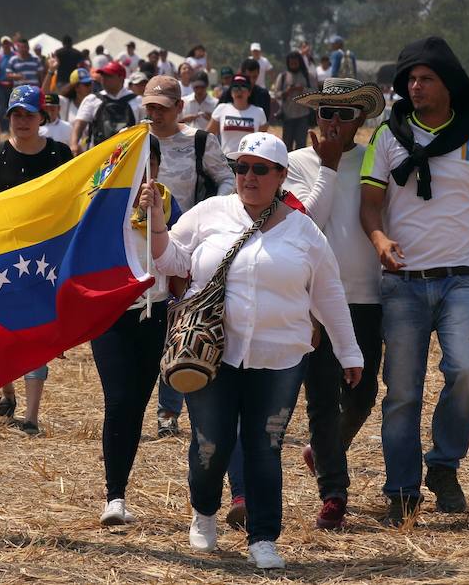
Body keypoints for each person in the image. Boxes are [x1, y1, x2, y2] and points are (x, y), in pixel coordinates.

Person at [139, 131, 363, 569]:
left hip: (280, 358)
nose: (249, 177)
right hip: (212, 355)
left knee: (265, 447)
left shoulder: (305, 231)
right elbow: (173, 262)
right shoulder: (210, 213)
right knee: (211, 443)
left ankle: (263, 537)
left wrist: (349, 352)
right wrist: (157, 221)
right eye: (242, 167)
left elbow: (329, 294)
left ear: (281, 176)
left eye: (261, 169)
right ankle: (204, 511)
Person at [359, 36, 469, 524]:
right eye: (410, 80)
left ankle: (443, 465)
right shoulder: (388, 137)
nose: (415, 87)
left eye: (425, 79)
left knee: (465, 371)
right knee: (402, 390)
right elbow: (370, 204)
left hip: (461, 278)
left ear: (449, 85)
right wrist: (379, 240)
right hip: (402, 283)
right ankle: (401, 488)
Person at [285, 78, 386, 529]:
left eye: (345, 114)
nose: (334, 122)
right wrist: (325, 167)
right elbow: (305, 223)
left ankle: (322, 452)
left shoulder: (374, 159)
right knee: (323, 398)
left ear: (360, 120)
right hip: (315, 299)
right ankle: (335, 492)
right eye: (326, 112)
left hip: (367, 296)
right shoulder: (293, 163)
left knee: (363, 393)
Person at [93, 134, 183, 525]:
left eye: (152, 164)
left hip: (155, 312)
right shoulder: (103, 202)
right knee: (118, 400)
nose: (145, 173)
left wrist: (157, 217)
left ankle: (120, 491)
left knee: (136, 405)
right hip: (112, 315)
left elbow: (177, 260)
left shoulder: (168, 201)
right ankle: (114, 496)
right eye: (137, 165)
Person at [0, 86, 73, 435]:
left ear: (42, 117)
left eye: (29, 114)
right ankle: (7, 392)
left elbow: (74, 199)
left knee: (34, 334)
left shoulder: (60, 154)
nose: (22, 121)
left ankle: (31, 418)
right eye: (16, 114)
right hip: (2, 258)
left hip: (43, 261)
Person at [140, 74, 234, 436]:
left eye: (162, 108)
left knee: (180, 323)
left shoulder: (198, 141)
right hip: (142, 245)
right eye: (149, 107)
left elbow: (225, 177)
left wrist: (209, 211)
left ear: (179, 107)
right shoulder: (136, 141)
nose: (155, 114)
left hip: (187, 247)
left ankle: (170, 409)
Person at [70, 61, 141, 155]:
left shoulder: (137, 101)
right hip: (99, 156)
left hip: (128, 156)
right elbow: (79, 123)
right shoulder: (92, 99)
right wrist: (74, 143)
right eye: (103, 75)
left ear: (121, 78)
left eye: (109, 76)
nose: (103, 79)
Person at [208, 75, 268, 156]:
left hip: (249, 162)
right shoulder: (221, 109)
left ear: (249, 92)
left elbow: (262, 141)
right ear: (231, 92)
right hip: (226, 161)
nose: (239, 92)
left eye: (243, 88)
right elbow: (207, 136)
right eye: (235, 88)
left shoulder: (259, 112)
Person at [274, 52, 315, 151]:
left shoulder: (307, 76)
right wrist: (286, 92)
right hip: (288, 116)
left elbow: (315, 92)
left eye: (295, 63)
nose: (293, 65)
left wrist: (303, 89)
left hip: (303, 115)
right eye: (291, 63)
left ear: (299, 63)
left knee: (301, 146)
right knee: (286, 146)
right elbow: (276, 94)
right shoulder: (283, 76)